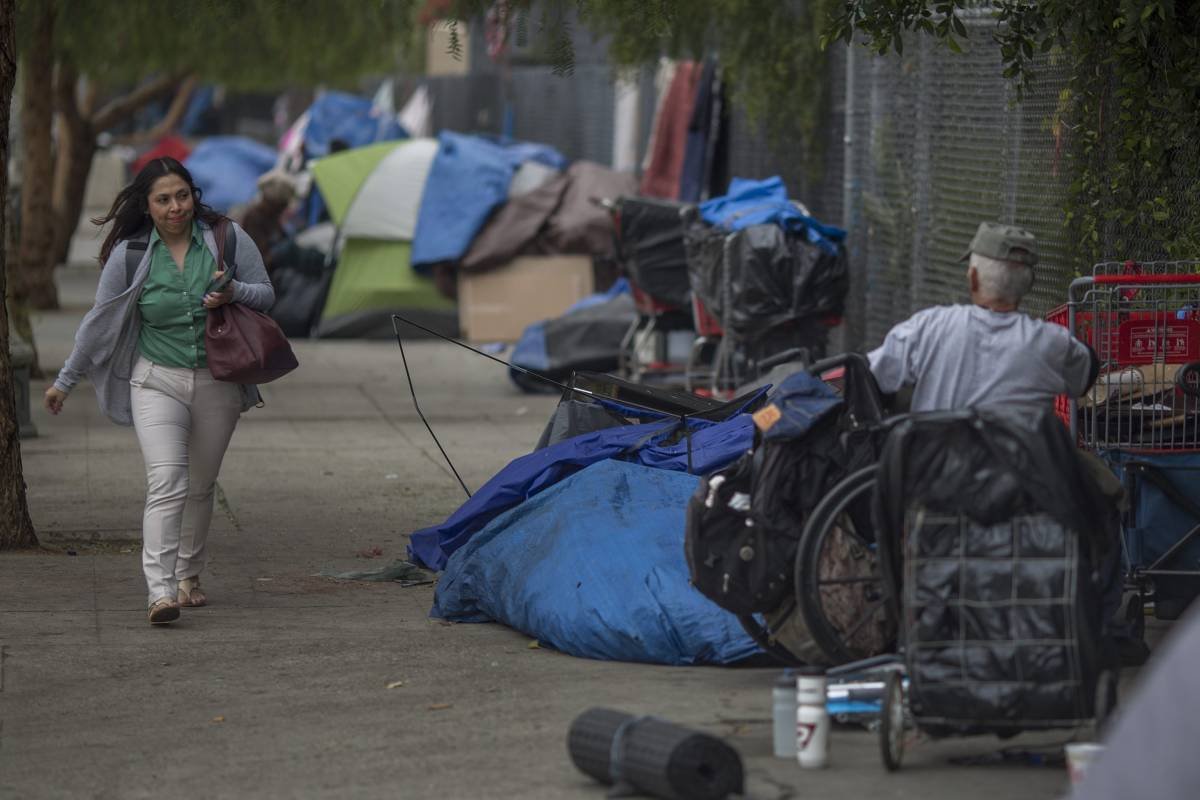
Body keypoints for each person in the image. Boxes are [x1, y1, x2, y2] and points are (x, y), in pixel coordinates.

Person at [43, 157, 275, 626]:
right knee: (167, 481)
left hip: (218, 380)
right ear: (147, 206)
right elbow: (100, 321)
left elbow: (267, 293)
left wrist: (233, 295)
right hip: (155, 380)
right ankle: (160, 591)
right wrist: (65, 380)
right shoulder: (131, 253)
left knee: (202, 484)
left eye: (182, 196)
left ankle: (189, 575)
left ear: (194, 195)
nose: (175, 207)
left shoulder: (227, 238)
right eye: (163, 199)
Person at [868, 221, 1096, 411]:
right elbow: (1086, 371)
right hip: (1016, 465)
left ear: (973, 278)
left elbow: (867, 374)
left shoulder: (928, 327)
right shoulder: (1051, 342)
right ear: (1028, 284)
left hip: (935, 463)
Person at [240, 169, 297, 275]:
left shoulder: (273, 219)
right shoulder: (254, 218)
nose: (282, 210)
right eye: (281, 205)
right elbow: (259, 259)